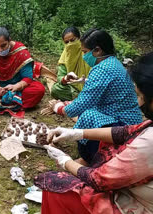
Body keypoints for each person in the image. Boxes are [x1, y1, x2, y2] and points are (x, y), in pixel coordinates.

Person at [34, 52, 153, 214]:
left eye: (140, 96)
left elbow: (98, 180)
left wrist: (65, 161)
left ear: (96, 50)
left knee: (54, 183)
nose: (138, 104)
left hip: (136, 206)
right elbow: (125, 132)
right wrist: (78, 133)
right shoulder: (109, 65)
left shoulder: (102, 70)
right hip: (114, 120)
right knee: (95, 124)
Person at [49, 29, 142, 164]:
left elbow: (82, 104)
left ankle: (93, 158)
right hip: (127, 118)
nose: (83, 56)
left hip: (123, 125)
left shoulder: (103, 69)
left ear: (97, 50)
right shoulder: (112, 62)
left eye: (85, 52)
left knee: (88, 115)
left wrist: (60, 108)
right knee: (87, 112)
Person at [0, 27, 45, 114]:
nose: (0, 50)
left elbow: (27, 77)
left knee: (38, 90)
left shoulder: (21, 52)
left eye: (3, 45)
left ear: (9, 40)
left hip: (18, 86)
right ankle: (14, 100)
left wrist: (16, 86)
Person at [50, 27, 91, 101]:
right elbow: (60, 76)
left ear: (79, 38)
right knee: (55, 89)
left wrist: (84, 80)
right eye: (66, 42)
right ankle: (80, 97)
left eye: (72, 40)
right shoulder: (65, 55)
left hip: (89, 85)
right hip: (72, 86)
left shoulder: (87, 52)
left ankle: (81, 98)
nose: (70, 44)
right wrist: (65, 78)